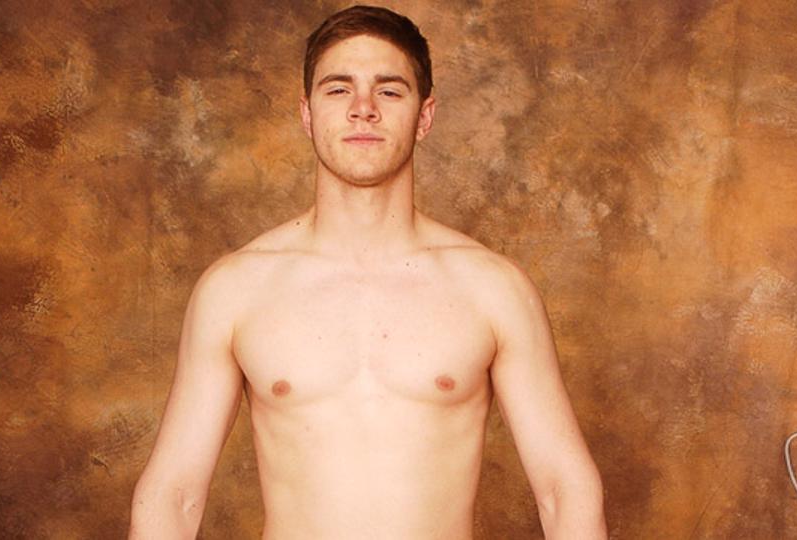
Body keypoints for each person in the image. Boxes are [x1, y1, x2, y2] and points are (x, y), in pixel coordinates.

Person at [129, 5, 606, 539]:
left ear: (424, 117)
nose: (363, 109)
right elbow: (174, 495)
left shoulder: (492, 288)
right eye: (338, 89)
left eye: (389, 91)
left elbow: (564, 488)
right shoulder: (236, 289)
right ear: (307, 114)